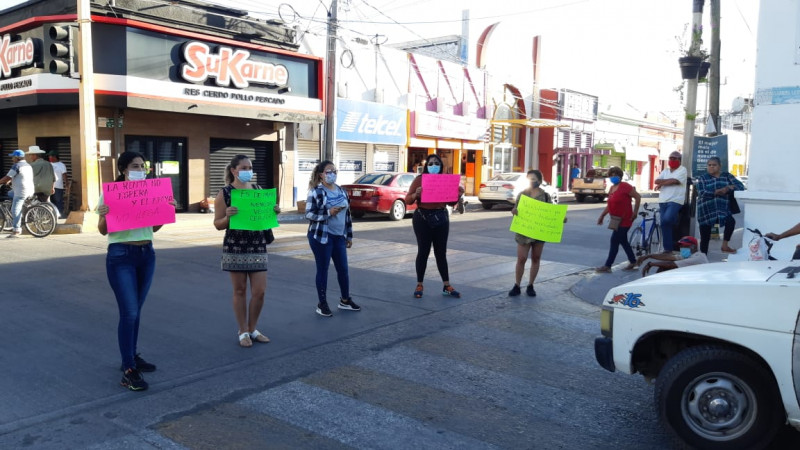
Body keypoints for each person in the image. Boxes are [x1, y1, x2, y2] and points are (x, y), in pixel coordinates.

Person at [97, 151, 176, 391]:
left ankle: (131, 355)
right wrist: (104, 215)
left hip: (146, 254)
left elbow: (154, 226)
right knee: (129, 312)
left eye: (143, 165)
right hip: (121, 256)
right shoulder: (112, 192)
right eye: (135, 166)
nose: (140, 169)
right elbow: (102, 230)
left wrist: (165, 209)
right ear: (123, 169)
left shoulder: (151, 190)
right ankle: (128, 369)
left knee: (136, 311)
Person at [213, 154, 280, 346]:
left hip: (257, 245)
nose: (247, 171)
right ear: (234, 170)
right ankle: (243, 330)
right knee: (240, 290)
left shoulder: (258, 190)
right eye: (243, 168)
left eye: (249, 167)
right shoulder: (225, 193)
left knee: (260, 291)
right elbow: (218, 224)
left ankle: (253, 328)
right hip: (235, 246)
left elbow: (265, 217)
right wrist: (227, 217)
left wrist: (274, 212)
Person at [306, 160, 361, 317]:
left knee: (343, 269)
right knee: (323, 270)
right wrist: (328, 213)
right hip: (321, 236)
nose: (332, 174)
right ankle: (321, 303)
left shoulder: (341, 191)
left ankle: (345, 300)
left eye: (334, 171)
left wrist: (349, 235)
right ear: (321, 175)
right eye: (328, 171)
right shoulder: (316, 192)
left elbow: (347, 216)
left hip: (339, 236)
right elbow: (308, 214)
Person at [405, 153, 464, 299]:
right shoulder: (419, 180)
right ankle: (419, 284)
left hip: (441, 218)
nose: (433, 166)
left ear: (441, 166)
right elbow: (407, 200)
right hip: (423, 218)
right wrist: (416, 195)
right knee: (423, 251)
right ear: (426, 166)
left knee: (441, 252)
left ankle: (446, 285)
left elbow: (451, 202)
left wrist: (458, 194)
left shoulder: (445, 181)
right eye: (430, 164)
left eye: (436, 163)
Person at [508, 169, 556, 297]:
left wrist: (561, 219)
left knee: (536, 258)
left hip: (539, 231)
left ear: (539, 181)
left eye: (534, 179)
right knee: (521, 258)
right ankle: (517, 285)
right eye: (529, 179)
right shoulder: (522, 194)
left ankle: (530, 285)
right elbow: (516, 209)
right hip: (524, 231)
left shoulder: (545, 196)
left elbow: (551, 213)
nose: (531, 181)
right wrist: (514, 211)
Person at [595, 166, 641, 273]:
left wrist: (635, 212)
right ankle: (633, 261)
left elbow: (638, 197)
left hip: (625, 219)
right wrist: (602, 215)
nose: (613, 177)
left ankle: (607, 266)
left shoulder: (625, 186)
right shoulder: (611, 188)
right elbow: (609, 205)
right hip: (615, 220)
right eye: (611, 175)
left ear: (620, 176)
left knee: (614, 240)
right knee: (623, 241)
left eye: (615, 175)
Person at [695, 157, 744, 254]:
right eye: (709, 165)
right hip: (706, 211)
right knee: (705, 236)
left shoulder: (726, 176)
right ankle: (702, 258)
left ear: (719, 166)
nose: (711, 167)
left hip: (722, 209)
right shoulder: (702, 178)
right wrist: (718, 191)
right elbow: (702, 193)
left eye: (714, 165)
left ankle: (725, 245)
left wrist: (729, 188)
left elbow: (740, 186)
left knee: (730, 222)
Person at [654, 151, 687, 253]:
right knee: (664, 224)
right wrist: (666, 181)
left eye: (674, 158)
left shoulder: (682, 170)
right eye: (670, 158)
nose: (672, 160)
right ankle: (668, 249)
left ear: (679, 160)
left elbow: (675, 181)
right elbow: (656, 181)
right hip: (663, 200)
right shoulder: (666, 170)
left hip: (675, 200)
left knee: (667, 220)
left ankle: (674, 220)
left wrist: (662, 183)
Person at [0, 149, 34, 238]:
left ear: (17, 158)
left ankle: (16, 230)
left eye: (13, 157)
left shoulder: (17, 166)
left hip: (21, 191)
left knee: (15, 210)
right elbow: (19, 176)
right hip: (30, 190)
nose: (12, 159)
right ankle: (19, 208)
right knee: (9, 193)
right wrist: (10, 180)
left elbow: (7, 177)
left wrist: (3, 181)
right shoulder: (27, 165)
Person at [638, 236, 708, 276]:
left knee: (666, 267)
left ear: (694, 247)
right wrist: (648, 256)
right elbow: (668, 257)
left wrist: (651, 264)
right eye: (681, 247)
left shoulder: (698, 257)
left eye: (685, 246)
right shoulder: (689, 255)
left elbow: (671, 264)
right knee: (663, 267)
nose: (682, 249)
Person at [49, 151, 69, 218]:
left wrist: (67, 185)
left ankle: (60, 214)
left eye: (51, 156)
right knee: (50, 201)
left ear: (55, 157)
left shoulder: (61, 165)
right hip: (49, 186)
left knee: (58, 201)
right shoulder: (49, 164)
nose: (49, 158)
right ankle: (52, 215)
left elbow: (64, 175)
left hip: (58, 186)